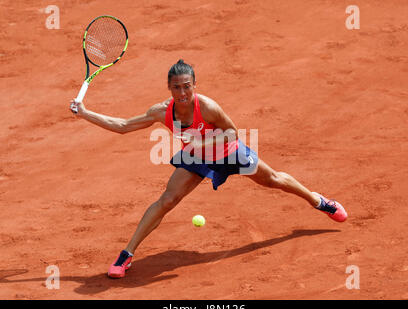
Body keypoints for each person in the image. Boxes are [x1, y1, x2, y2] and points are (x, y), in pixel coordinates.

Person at [70, 59, 348, 279]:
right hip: (196, 158)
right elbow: (122, 126)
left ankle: (317, 200)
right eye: (177, 87)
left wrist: (203, 141)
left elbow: (232, 132)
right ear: (169, 88)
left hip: (228, 152)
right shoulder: (161, 111)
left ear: (194, 85)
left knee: (272, 179)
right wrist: (85, 113)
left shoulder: (208, 107)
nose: (182, 92)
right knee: (168, 199)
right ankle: (126, 254)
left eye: (187, 86)